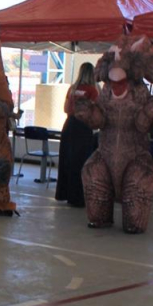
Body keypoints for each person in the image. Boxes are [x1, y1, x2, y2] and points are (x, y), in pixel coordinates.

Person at [55, 63, 99, 208]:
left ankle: (65, 193)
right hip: (83, 127)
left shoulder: (72, 88)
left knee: (67, 159)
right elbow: (96, 111)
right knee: (82, 162)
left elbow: (66, 108)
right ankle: (79, 196)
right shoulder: (93, 90)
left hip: (69, 125)